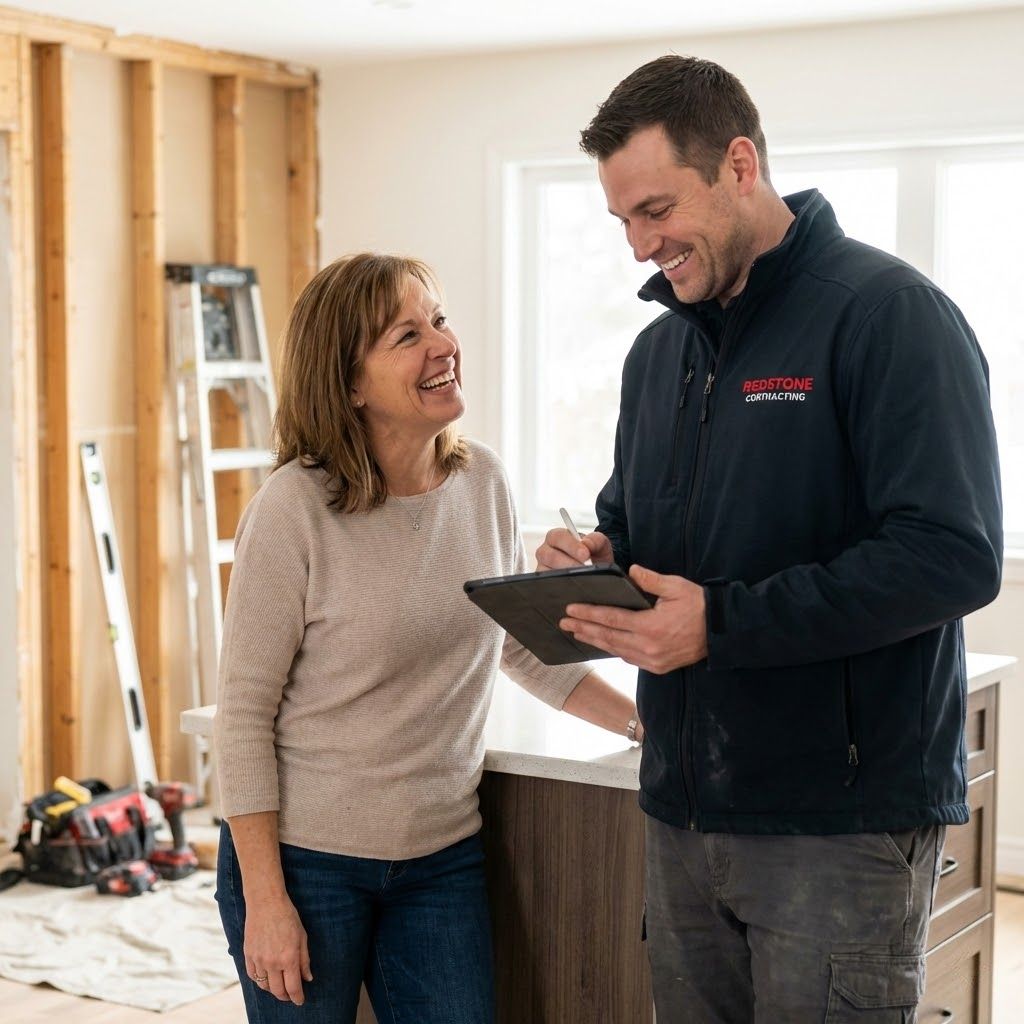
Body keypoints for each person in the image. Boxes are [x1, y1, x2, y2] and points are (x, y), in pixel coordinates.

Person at [537, 55, 1002, 1022]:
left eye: (655, 209)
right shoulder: (657, 352)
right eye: (622, 219)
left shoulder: (887, 316)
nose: (637, 246)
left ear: (739, 165)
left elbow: (951, 554)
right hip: (680, 812)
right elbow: (643, 524)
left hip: (838, 826)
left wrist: (724, 627)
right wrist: (601, 558)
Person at [213, 252, 642, 1024]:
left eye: (438, 321)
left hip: (441, 857)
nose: (442, 344)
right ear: (348, 384)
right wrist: (265, 901)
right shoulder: (293, 510)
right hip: (307, 866)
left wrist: (648, 724)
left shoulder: (483, 482)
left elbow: (518, 643)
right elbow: (242, 715)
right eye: (406, 335)